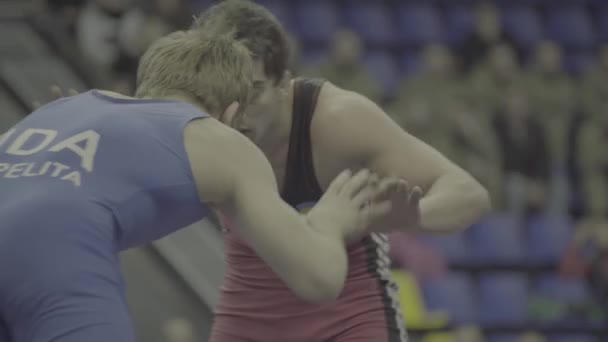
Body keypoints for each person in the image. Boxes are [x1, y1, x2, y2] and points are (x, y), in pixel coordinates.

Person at [0, 30, 397, 341]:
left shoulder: (67, 107)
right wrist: (330, 220)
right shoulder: (215, 138)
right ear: (232, 112)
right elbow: (318, 279)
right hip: (54, 249)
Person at [193, 1, 491, 341]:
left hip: (348, 319)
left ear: (283, 84)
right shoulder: (197, 120)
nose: (238, 109)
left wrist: (415, 215)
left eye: (254, 90)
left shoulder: (337, 119)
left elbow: (469, 194)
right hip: (249, 319)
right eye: (225, 89)